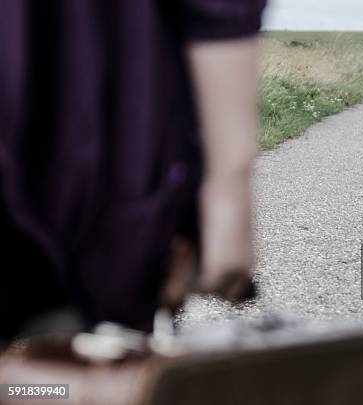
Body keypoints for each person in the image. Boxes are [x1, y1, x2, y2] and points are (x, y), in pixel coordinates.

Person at [0, 0, 266, 341]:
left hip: (65, 194)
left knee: (60, 374)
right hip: (80, 189)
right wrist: (228, 188)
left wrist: (229, 188)